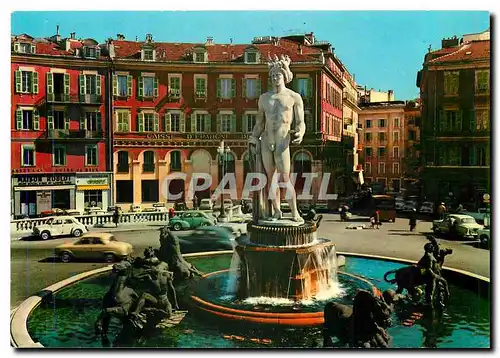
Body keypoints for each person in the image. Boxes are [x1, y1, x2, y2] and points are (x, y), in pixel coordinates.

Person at [249, 54, 306, 222]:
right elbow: (260, 123)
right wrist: (253, 138)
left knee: (285, 178)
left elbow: (301, 121)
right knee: (270, 178)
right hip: (266, 140)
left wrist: (300, 132)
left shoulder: (294, 97)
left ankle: (294, 212)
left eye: (278, 75)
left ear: (285, 76)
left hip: (283, 141)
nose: (275, 78)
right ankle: (276, 211)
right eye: (272, 75)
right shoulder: (264, 98)